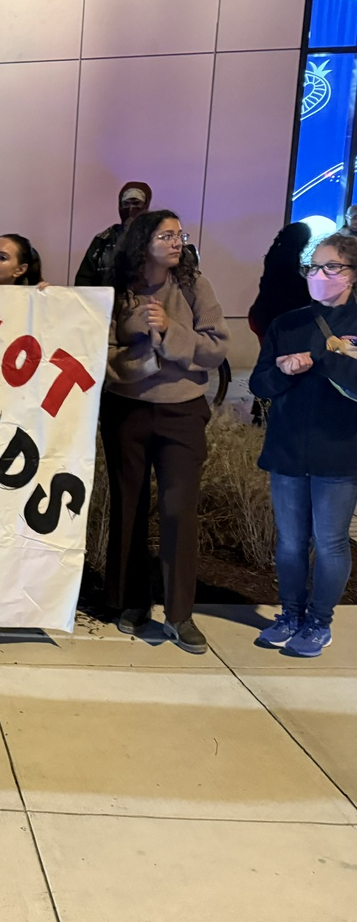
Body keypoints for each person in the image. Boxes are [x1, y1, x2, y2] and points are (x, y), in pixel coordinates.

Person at [100, 209, 229, 654]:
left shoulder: (193, 286)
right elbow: (102, 353)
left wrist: (170, 332)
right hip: (126, 411)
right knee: (128, 507)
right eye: (166, 235)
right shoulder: (117, 292)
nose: (177, 242)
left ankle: (180, 613)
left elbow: (216, 348)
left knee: (179, 511)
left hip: (182, 414)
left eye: (180, 235)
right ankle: (132, 603)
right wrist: (141, 349)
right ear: (143, 242)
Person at [249, 233, 357, 657]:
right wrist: (285, 372)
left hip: (339, 451)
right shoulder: (287, 323)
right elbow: (260, 383)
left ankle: (319, 621)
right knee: (291, 541)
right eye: (313, 267)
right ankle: (290, 614)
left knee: (329, 541)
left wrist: (328, 358)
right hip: (288, 449)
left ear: (351, 274)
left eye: (330, 267)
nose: (319, 276)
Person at [74, 181, 152, 287]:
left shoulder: (155, 239)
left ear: (145, 205)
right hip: (105, 301)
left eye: (136, 203)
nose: (130, 209)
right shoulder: (103, 240)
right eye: (126, 203)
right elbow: (84, 280)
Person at [248, 223, 313, 342]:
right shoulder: (288, 260)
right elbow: (295, 290)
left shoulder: (276, 252)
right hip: (276, 318)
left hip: (262, 314)